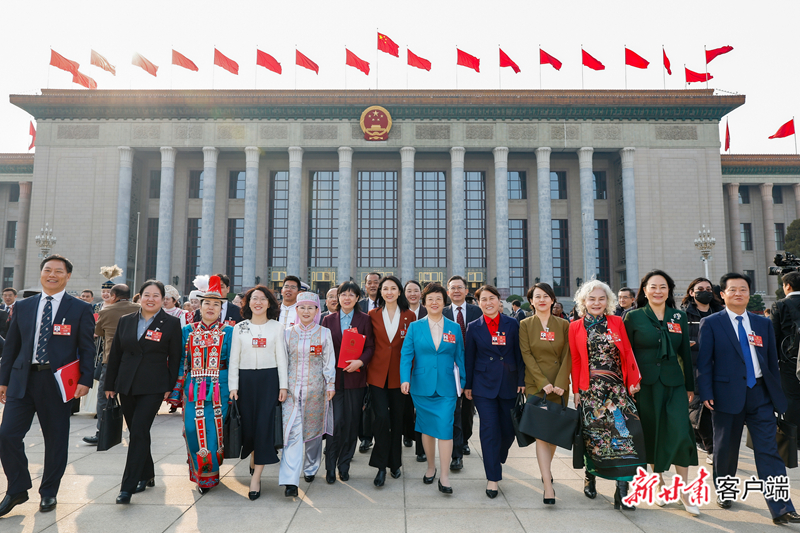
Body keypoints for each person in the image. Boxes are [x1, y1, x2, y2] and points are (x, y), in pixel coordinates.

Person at [697, 272, 800, 525]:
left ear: (749, 293)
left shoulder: (762, 323)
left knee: (769, 451)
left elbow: (771, 362)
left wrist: (776, 394)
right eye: (732, 290)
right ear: (723, 294)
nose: (738, 293)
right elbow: (704, 363)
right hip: (725, 395)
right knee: (725, 449)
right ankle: (725, 490)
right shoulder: (711, 323)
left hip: (760, 394)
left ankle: (782, 507)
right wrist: (706, 393)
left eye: (743, 289)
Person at [0, 255, 94, 517]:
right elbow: (11, 346)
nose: (52, 275)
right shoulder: (24, 306)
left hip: (57, 383)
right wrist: (3, 379)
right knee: (7, 435)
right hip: (22, 380)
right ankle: (17, 488)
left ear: (68, 276)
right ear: (41, 273)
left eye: (58, 271)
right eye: (47, 270)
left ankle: (49, 492)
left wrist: (87, 379)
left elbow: (87, 347)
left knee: (55, 440)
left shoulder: (80, 308)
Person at [624, 270, 699, 516]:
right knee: (653, 432)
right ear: (644, 290)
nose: (658, 291)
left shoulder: (678, 316)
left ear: (670, 290)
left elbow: (685, 354)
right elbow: (626, 354)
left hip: (674, 383)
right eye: (653, 286)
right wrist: (629, 383)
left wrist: (690, 385)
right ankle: (658, 483)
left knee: (680, 432)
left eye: (663, 287)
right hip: (645, 386)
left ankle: (686, 491)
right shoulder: (633, 317)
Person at [569, 280, 645, 512]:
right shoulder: (575, 326)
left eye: (601, 298)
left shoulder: (617, 322)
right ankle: (590, 478)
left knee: (626, 436)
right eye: (592, 299)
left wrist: (632, 382)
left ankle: (622, 492)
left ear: (608, 301)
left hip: (617, 389)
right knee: (594, 437)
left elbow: (627, 354)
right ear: (584, 302)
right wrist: (577, 391)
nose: (596, 303)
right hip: (591, 390)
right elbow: (576, 360)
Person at [103, 280, 182, 504]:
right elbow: (115, 354)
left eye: (156, 296)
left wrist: (170, 386)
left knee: (137, 430)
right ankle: (147, 474)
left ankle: (127, 485)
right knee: (139, 432)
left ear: (163, 299)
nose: (151, 299)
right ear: (140, 296)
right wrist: (110, 384)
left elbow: (175, 358)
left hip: (154, 386)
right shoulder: (126, 321)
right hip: (126, 384)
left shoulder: (171, 323)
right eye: (147, 294)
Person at [168, 275, 233, 493]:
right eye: (207, 303)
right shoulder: (187, 330)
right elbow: (180, 362)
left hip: (219, 386)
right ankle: (198, 472)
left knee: (214, 431)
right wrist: (176, 390)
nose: (211, 307)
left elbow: (234, 363)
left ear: (221, 307)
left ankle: (209, 476)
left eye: (216, 304)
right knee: (191, 429)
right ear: (200, 305)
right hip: (192, 386)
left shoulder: (229, 331)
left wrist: (234, 389)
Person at [401, 283, 465, 495]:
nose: (435, 303)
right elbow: (406, 355)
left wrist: (462, 383)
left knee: (446, 429)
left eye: (438, 299)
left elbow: (460, 357)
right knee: (427, 428)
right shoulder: (415, 327)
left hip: (447, 387)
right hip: (422, 385)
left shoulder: (454, 328)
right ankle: (431, 466)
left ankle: (444, 476)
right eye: (430, 299)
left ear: (444, 301)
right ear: (424, 303)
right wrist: (405, 379)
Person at [464, 285, 524, 499]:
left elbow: (519, 354)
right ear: (478, 304)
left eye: (492, 298)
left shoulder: (512, 324)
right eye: (483, 300)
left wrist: (522, 379)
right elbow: (469, 358)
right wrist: (468, 385)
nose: (488, 303)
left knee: (508, 430)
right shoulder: (473, 327)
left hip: (509, 382)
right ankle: (493, 478)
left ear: (500, 301)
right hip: (483, 385)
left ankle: (496, 457)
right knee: (489, 430)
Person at [229, 285, 287, 501]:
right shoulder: (240, 327)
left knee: (264, 426)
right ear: (248, 303)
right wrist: (233, 386)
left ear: (269, 303)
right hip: (245, 381)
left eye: (263, 299)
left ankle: (256, 478)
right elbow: (234, 358)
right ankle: (253, 456)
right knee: (249, 427)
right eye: (254, 298)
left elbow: (282, 357)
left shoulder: (277, 327)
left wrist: (283, 386)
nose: (258, 302)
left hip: (269, 380)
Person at [519, 282, 571, 504]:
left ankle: (545, 470)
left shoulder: (564, 324)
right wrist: (543, 382)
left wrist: (560, 382)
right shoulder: (525, 324)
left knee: (553, 434)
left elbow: (568, 354)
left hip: (559, 386)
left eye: (545, 296)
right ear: (531, 301)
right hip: (536, 385)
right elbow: (526, 354)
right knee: (541, 433)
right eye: (536, 297)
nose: (541, 300)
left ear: (552, 299)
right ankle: (547, 484)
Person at [280, 291, 335, 497]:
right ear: (296, 309)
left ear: (316, 311)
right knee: (292, 434)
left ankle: (311, 467)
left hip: (316, 391)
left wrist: (331, 385)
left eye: (310, 308)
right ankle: (290, 481)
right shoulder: (287, 333)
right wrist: (282, 387)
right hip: (292, 392)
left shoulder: (323, 333)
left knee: (313, 433)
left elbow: (328, 361)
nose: (305, 311)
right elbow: (283, 362)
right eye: (301, 307)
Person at [321, 281, 375, 483]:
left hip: (355, 379)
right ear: (338, 297)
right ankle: (329, 467)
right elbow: (323, 350)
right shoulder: (328, 320)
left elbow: (370, 347)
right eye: (343, 294)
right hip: (333, 381)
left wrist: (360, 361)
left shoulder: (364, 320)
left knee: (351, 425)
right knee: (334, 424)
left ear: (357, 298)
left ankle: (344, 466)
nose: (347, 298)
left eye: (352, 295)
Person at [368, 275, 415, 487]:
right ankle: (380, 467)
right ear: (380, 292)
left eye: (393, 288)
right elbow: (369, 345)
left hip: (400, 377)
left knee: (397, 421)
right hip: (377, 375)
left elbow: (412, 349)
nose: (389, 292)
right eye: (385, 288)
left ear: (399, 292)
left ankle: (395, 463)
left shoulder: (410, 316)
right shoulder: (372, 315)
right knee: (381, 420)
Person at [83, 284, 139, 445]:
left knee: (104, 397)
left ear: (114, 296)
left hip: (110, 361)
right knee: (134, 397)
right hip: (134, 361)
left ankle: (102, 432)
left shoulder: (106, 311)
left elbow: (98, 332)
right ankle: (136, 432)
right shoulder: (139, 309)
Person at [682, 277, 724, 462]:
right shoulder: (683, 315)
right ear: (691, 292)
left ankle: (710, 444)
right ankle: (711, 447)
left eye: (708, 288)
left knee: (715, 408)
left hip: (718, 368)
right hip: (693, 368)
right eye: (700, 288)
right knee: (699, 408)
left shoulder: (721, 313)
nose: (704, 291)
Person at [442, 275, 481, 469]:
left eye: (460, 287)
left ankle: (465, 439)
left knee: (467, 409)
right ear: (447, 292)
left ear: (467, 291)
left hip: (472, 367)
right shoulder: (441, 313)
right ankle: (457, 448)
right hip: (449, 369)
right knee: (453, 410)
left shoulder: (477, 311)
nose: (456, 291)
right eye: (452, 288)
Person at [770, 271, 800, 439]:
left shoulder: (780, 305)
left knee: (792, 398)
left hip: (789, 360)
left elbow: (773, 335)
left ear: (787, 286)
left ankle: (794, 438)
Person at [357, 273, 382, 453]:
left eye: (376, 282)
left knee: (378, 401)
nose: (373, 285)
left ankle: (379, 435)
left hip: (381, 358)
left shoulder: (388, 304)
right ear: (365, 286)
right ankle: (365, 438)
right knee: (363, 400)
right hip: (361, 358)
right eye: (369, 282)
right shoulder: (360, 306)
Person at [402, 279, 426, 459]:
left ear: (421, 293)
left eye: (416, 290)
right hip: (406, 365)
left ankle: (421, 449)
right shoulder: (401, 313)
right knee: (407, 405)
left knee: (423, 408)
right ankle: (408, 434)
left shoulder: (429, 311)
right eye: (409, 291)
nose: (412, 294)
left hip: (425, 367)